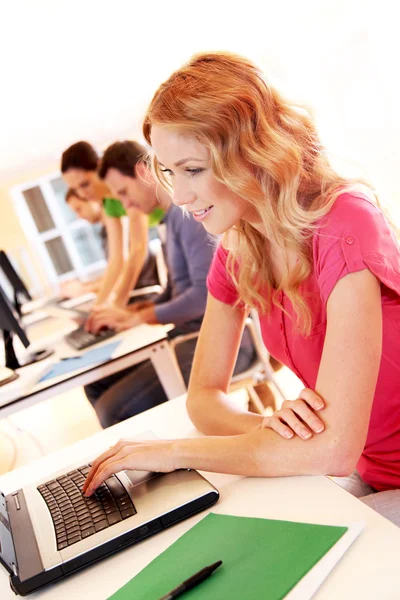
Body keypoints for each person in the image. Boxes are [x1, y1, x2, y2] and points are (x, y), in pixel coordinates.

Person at [83, 52, 400, 527]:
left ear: (249, 152)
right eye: (171, 173)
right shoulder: (238, 247)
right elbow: (204, 397)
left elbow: (333, 448)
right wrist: (272, 429)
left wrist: (172, 453)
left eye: (193, 169)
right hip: (369, 470)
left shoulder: (345, 223)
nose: (181, 196)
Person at [83, 140, 256, 427]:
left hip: (220, 340)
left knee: (113, 410)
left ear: (143, 172)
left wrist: (140, 317)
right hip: (186, 337)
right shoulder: (169, 220)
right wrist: (137, 310)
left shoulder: (189, 216)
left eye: (124, 192)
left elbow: (202, 296)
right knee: (95, 385)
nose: (125, 206)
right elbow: (178, 288)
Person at [61, 141, 157, 308]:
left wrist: (117, 304)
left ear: (99, 167)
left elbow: (138, 249)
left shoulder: (126, 193)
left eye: (85, 184)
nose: (83, 194)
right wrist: (98, 308)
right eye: (76, 189)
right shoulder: (109, 204)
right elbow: (116, 261)